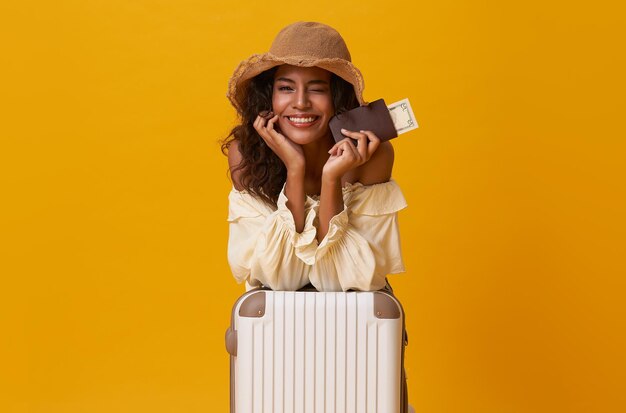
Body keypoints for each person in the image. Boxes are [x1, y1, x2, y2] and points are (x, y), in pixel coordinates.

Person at [222, 21, 408, 292]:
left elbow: (340, 281)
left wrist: (330, 178)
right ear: (269, 96)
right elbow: (279, 280)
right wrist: (295, 168)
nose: (300, 102)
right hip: (275, 328)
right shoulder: (246, 156)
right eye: (286, 88)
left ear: (337, 96)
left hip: (354, 325)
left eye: (317, 88)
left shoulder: (372, 157)